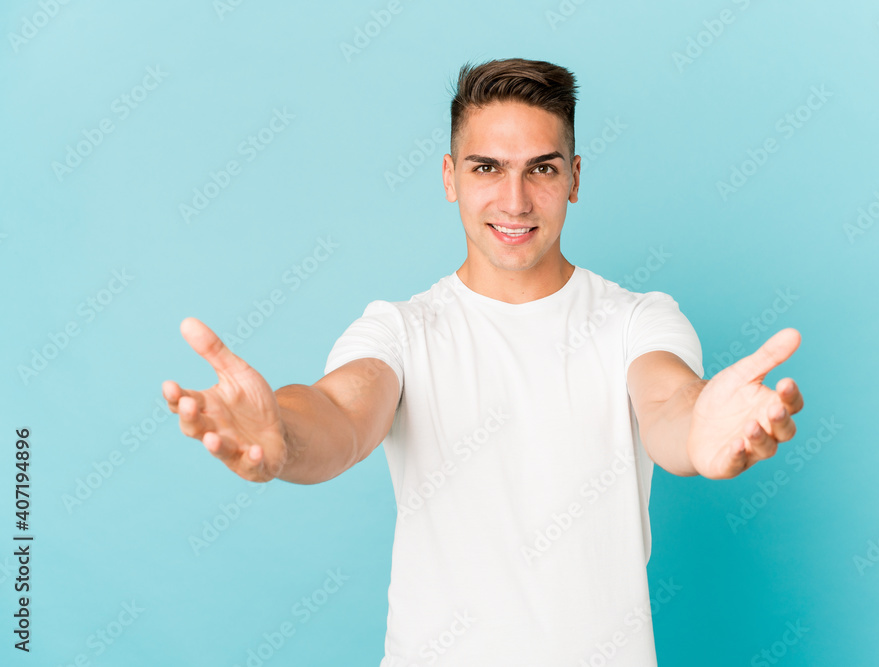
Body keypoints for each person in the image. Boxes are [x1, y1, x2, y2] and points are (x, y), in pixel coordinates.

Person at [162, 57, 804, 666]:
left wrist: (700, 431)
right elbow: (338, 410)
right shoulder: (401, 329)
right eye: (487, 168)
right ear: (450, 177)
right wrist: (282, 430)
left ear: (575, 177)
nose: (515, 201)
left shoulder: (639, 320)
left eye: (542, 170)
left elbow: (669, 404)